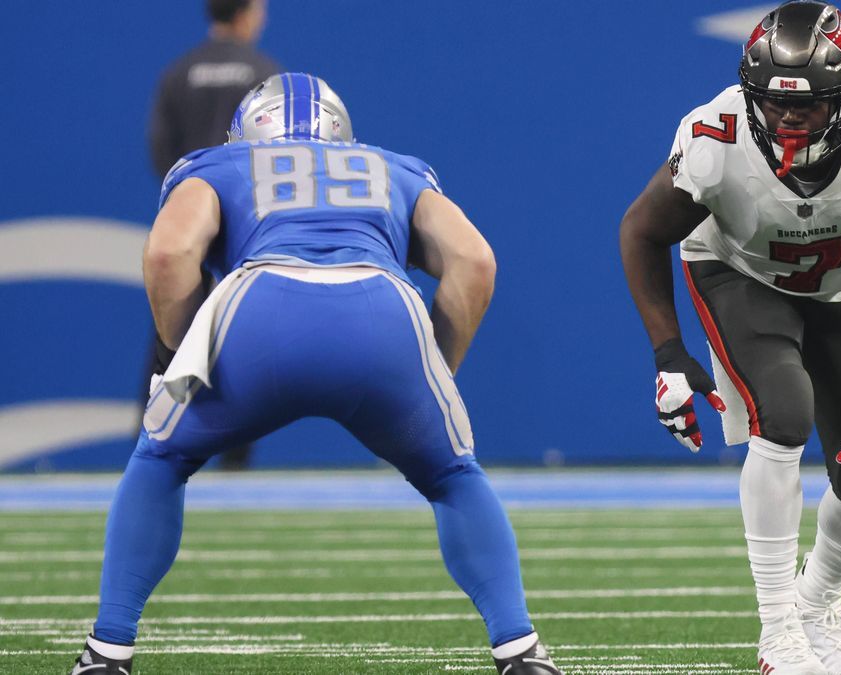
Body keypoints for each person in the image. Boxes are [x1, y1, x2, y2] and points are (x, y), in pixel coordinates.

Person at [71, 73, 560, 675]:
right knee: (453, 475)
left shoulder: (220, 165)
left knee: (160, 459)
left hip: (260, 312)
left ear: (250, 130)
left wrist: (183, 354)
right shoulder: (395, 168)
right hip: (384, 312)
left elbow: (170, 253)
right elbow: (474, 260)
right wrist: (434, 370)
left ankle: (107, 652)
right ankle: (519, 651)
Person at [620, 2, 841, 673]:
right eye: (771, 104)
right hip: (739, 271)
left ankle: (818, 601)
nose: (785, 119)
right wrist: (669, 355)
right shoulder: (715, 139)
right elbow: (640, 230)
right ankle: (778, 631)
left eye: (805, 106)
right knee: (786, 409)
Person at [146, 0, 280, 469]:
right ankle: (235, 474)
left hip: (188, 232)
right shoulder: (265, 75)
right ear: (247, 12)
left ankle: (154, 459)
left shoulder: (179, 73)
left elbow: (162, 153)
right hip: (246, 235)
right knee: (240, 347)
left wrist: (189, 210)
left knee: (171, 343)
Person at [148, 0, 279, 178]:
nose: (263, 20)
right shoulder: (266, 75)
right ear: (243, 16)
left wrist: (184, 187)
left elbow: (161, 145)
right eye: (259, 10)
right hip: (246, 199)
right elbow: (278, 142)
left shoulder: (178, 74)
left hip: (191, 196)